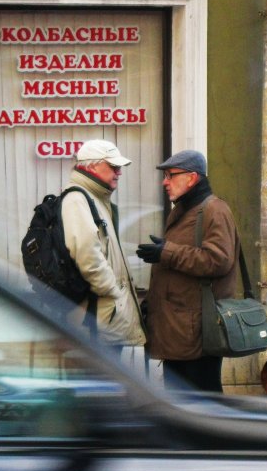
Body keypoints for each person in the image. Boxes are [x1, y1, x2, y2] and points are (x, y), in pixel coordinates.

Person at [136, 150, 240, 392]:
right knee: (180, 400)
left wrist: (166, 252)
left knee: (201, 400)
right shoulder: (184, 209)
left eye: (171, 175)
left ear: (192, 178)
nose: (165, 181)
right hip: (179, 328)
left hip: (197, 333)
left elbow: (218, 260)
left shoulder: (214, 210)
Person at [60, 139, 147, 356]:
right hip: (96, 318)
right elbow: (88, 256)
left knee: (105, 387)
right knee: (96, 386)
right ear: (91, 166)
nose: (119, 172)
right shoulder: (77, 199)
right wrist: (112, 292)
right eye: (114, 166)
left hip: (103, 315)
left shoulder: (96, 198)